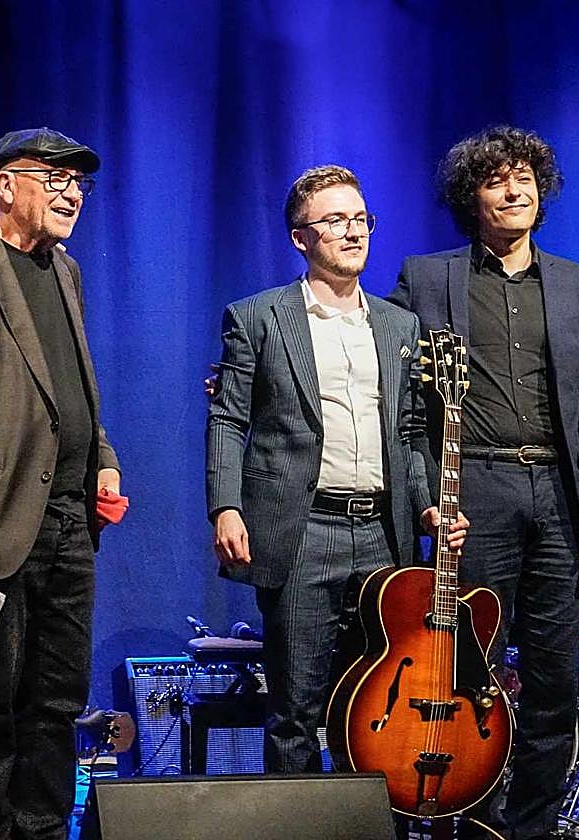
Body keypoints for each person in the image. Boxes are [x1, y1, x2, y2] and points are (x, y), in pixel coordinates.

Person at [389, 125, 579, 839]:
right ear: (473, 197)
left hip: (557, 495)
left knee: (555, 680)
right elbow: (397, 395)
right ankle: (474, 821)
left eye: (524, 177)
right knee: (468, 672)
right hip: (474, 491)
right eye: (496, 180)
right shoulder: (428, 278)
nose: (514, 189)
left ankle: (532, 827)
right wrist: (427, 497)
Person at [206, 164, 466, 774]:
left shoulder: (399, 325)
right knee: (296, 709)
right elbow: (227, 420)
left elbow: (406, 434)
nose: (353, 234)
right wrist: (226, 505)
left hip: (383, 534)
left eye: (361, 220)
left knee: (378, 703)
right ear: (301, 237)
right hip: (302, 531)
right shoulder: (258, 317)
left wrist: (429, 503)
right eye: (335, 222)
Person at [0, 127, 122, 840]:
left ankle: (43, 829)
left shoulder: (66, 271)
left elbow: (74, 384)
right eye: (55, 178)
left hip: (69, 520)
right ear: (8, 184)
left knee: (59, 695)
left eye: (80, 182)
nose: (72, 192)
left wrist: (102, 453)